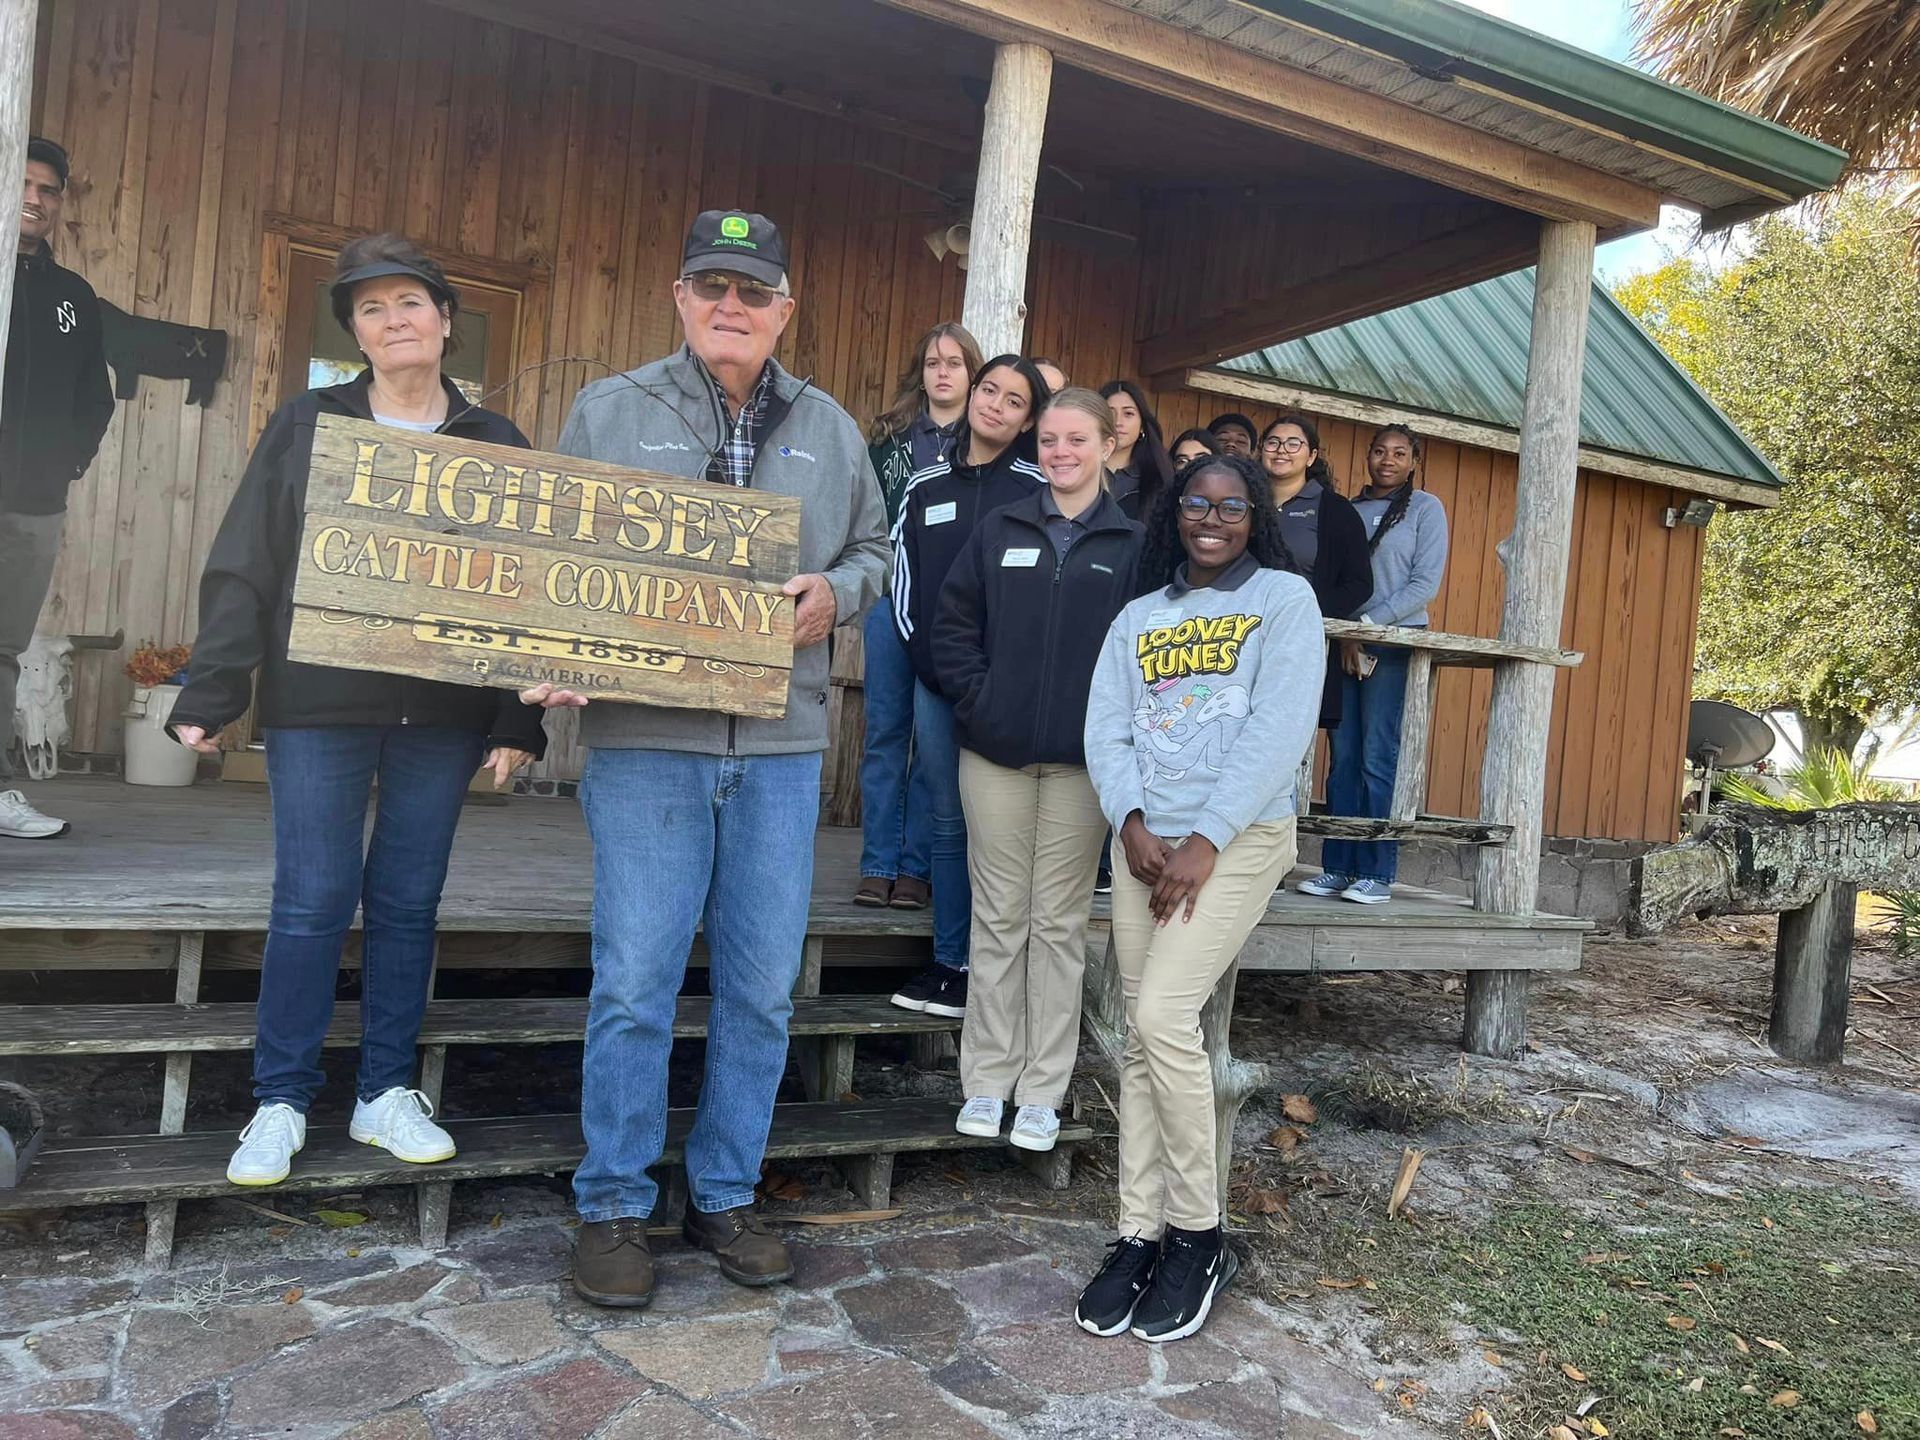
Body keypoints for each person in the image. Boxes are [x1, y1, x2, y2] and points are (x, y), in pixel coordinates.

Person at [537, 211, 888, 1306]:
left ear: (785, 310)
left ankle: (725, 1189)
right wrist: (556, 649)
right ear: (679, 298)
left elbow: (877, 548)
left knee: (760, 988)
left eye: (753, 291)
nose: (731, 307)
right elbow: (552, 552)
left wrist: (839, 593)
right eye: (711, 287)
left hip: (780, 747)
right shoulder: (610, 410)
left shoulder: (831, 430)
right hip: (647, 743)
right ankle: (611, 1208)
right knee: (635, 983)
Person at [168, 234, 550, 1187]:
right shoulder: (310, 422)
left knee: (407, 902)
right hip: (319, 703)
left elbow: (524, 590)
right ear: (357, 335)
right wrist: (216, 685)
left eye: (409, 303)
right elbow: (247, 554)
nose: (394, 321)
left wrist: (517, 717)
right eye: (371, 310)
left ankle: (385, 1093)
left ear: (446, 321)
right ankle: (282, 1097)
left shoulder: (495, 442)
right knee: (309, 901)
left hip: (445, 707)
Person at [1078, 453, 1322, 1343]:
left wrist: (1207, 839)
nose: (1212, 518)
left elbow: (1279, 730)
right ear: (1174, 513)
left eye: (1232, 505)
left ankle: (1199, 1235)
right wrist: (1131, 820)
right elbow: (1107, 724)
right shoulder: (1141, 617)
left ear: (1256, 514)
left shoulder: (1284, 605)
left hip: (1238, 842)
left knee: (1164, 1019)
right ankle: (1139, 1232)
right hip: (1145, 847)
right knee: (1142, 1043)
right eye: (1197, 503)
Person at [931, 388, 1143, 1153]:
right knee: (997, 919)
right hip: (994, 755)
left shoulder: (1132, 546)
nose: (1060, 453)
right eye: (1049, 439)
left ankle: (1043, 1091)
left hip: (1086, 768)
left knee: (1056, 926)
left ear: (1107, 444)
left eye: (1075, 439)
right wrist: (983, 700)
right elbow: (950, 624)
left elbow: (1147, 654)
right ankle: (987, 1082)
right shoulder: (1000, 529)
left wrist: (1114, 736)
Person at [889, 355, 1050, 1019]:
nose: (995, 406)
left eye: (1015, 401)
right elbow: (903, 588)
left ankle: (1006, 970)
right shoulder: (924, 485)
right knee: (949, 821)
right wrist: (934, 669)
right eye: (990, 390)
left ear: (1029, 419)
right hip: (937, 686)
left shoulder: (1039, 490)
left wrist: (1004, 678)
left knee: (1010, 828)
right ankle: (951, 963)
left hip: (1008, 692)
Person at [0, 137, 113, 840]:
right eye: (24, 184)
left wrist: (62, 466)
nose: (35, 200)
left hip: (33, 503)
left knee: (4, 650)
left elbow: (92, 401)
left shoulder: (74, 297)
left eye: (49, 190)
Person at [856, 321, 983, 910]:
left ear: (971, 372)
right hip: (888, 597)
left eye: (954, 363)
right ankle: (877, 862)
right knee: (885, 734)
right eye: (933, 362)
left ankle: (916, 866)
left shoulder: (986, 442)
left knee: (936, 744)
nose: (942, 372)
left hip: (952, 609)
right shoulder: (891, 436)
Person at [1300, 423, 1449, 905]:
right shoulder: (1347, 509)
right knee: (1342, 758)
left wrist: (1366, 627)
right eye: (1380, 451)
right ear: (1368, 456)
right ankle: (1338, 867)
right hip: (1344, 639)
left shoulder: (1426, 509)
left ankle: (1377, 872)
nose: (1388, 460)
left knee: (1377, 756)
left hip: (1392, 641)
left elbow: (1423, 585)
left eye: (1400, 453)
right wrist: (1349, 631)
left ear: (1413, 461)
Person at [1255, 413, 1371, 732]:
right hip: (1240, 638)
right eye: (1273, 442)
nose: (1282, 450)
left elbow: (1359, 584)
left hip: (1300, 642)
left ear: (1312, 456)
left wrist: (1306, 613)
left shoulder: (1335, 510)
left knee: (1286, 736)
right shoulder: (1241, 501)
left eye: (1294, 443)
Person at [1099, 380, 1175, 522]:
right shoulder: (1079, 470)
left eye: (1128, 413)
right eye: (1109, 413)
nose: (1117, 422)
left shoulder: (1158, 479)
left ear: (1142, 426)